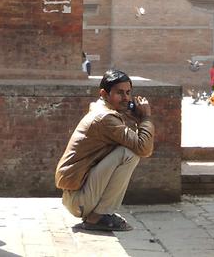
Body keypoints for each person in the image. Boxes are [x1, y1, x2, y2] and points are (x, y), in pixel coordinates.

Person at [55, 69, 154, 233]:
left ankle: (99, 213)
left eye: (128, 93)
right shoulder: (105, 118)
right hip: (79, 199)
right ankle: (98, 216)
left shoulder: (105, 111)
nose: (126, 98)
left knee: (127, 150)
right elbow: (143, 148)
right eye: (120, 93)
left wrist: (136, 120)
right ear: (104, 94)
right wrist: (146, 119)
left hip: (80, 196)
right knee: (128, 154)